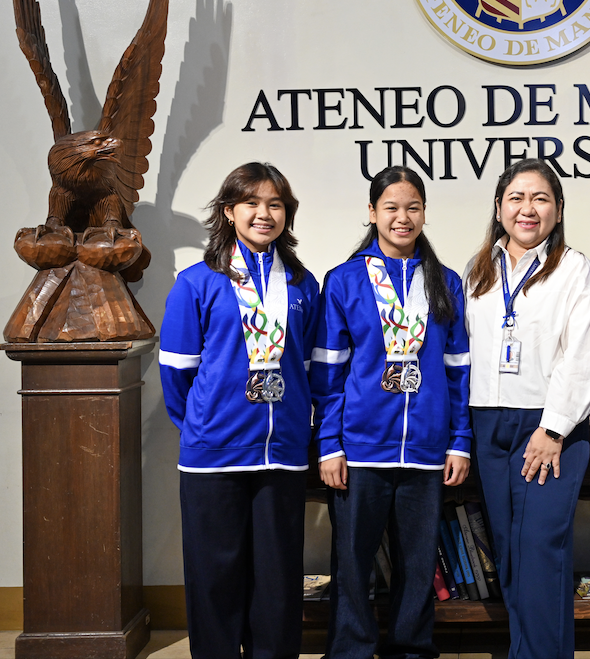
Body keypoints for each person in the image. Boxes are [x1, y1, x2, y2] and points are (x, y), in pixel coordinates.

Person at [158, 162, 320, 659]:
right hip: (215, 454)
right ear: (229, 211)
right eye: (251, 203)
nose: (263, 214)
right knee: (215, 575)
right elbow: (176, 374)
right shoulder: (197, 282)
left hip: (282, 452)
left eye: (275, 204)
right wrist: (206, 426)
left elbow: (307, 369)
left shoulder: (302, 283)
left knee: (277, 578)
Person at [311, 165, 471, 659]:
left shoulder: (445, 281)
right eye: (391, 208)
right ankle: (351, 651)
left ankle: (412, 649)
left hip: (426, 448)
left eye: (413, 208)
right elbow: (329, 373)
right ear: (372, 212)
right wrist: (329, 445)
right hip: (360, 449)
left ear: (424, 212)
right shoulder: (344, 280)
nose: (403, 218)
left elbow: (458, 370)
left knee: (418, 564)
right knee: (353, 564)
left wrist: (460, 441)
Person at [463, 157, 590, 659]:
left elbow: (585, 355)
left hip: (547, 426)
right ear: (499, 207)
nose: (528, 209)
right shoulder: (478, 270)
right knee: (509, 553)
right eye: (517, 198)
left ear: (559, 209)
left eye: (541, 199)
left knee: (540, 550)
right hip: (488, 423)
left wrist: (553, 429)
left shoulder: (573, 269)